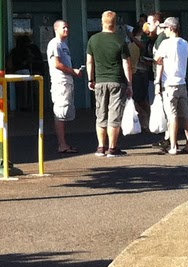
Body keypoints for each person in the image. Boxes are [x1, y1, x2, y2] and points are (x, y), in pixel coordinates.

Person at [85, 10, 133, 158]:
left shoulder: (93, 40)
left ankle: (101, 147)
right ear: (115, 23)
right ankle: (113, 147)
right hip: (117, 81)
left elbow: (89, 62)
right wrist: (129, 84)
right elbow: (126, 64)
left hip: (100, 81)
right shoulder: (120, 40)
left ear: (102, 22)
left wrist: (90, 79)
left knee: (101, 114)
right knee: (114, 115)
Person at [153, 17, 188, 154]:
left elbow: (157, 59)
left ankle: (173, 146)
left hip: (169, 84)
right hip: (182, 83)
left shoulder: (165, 43)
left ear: (170, 28)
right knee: (186, 115)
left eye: (165, 28)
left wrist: (157, 82)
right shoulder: (184, 43)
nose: (164, 30)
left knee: (172, 116)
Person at [45, 19, 83, 154]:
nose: (66, 30)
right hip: (60, 82)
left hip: (68, 81)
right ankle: (62, 144)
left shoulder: (64, 45)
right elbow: (57, 64)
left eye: (67, 27)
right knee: (60, 112)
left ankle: (65, 143)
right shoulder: (54, 44)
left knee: (66, 112)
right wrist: (73, 71)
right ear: (56, 29)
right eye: (63, 28)